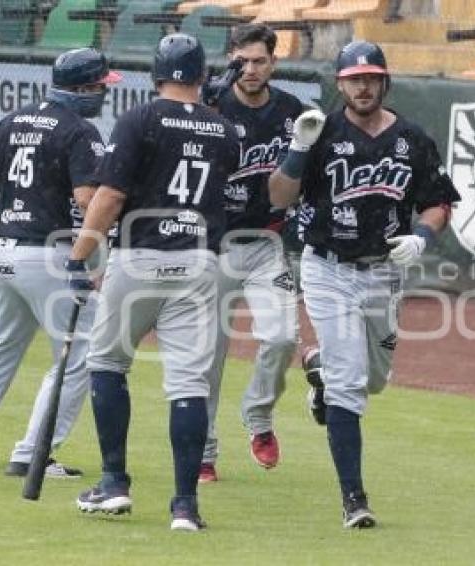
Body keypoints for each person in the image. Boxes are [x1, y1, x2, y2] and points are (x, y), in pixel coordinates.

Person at [268, 40, 460, 528]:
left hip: (383, 272)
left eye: (371, 77)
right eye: (354, 79)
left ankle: (320, 378)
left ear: (384, 80)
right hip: (327, 268)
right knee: (351, 386)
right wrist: (297, 151)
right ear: (340, 84)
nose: (363, 86)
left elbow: (438, 202)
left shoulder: (412, 139)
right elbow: (278, 197)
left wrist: (421, 236)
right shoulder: (321, 133)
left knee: (374, 380)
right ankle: (354, 498)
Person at [69, 33, 240, 531]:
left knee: (106, 362)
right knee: (188, 382)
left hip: (140, 255)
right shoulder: (224, 129)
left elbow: (108, 197)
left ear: (156, 73)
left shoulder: (139, 118)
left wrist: (80, 255)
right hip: (199, 262)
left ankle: (114, 483)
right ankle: (185, 505)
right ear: (204, 76)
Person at [0, 48, 121, 477]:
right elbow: (86, 200)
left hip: (3, 253)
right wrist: (106, 248)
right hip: (51, 256)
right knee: (81, 353)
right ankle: (33, 454)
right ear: (82, 88)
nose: (103, 94)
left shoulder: (12, 121)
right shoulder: (80, 130)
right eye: (99, 86)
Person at [196, 23, 302, 483]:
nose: (252, 69)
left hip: (266, 243)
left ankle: (258, 417)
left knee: (281, 338)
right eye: (244, 60)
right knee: (207, 356)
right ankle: (202, 451)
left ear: (274, 63)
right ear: (232, 59)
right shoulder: (211, 105)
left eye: (261, 61)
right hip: (213, 246)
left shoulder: (292, 111)